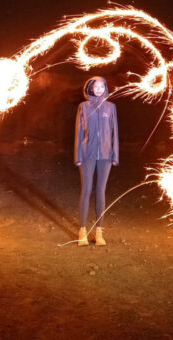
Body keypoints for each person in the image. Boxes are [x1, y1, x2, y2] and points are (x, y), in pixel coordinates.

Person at [74, 76, 119, 246]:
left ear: (105, 88)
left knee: (101, 191)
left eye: (102, 86)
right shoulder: (83, 107)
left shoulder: (111, 107)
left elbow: (115, 132)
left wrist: (115, 154)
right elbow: (78, 132)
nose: (99, 89)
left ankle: (99, 232)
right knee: (86, 190)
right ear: (90, 88)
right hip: (87, 154)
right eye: (95, 86)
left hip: (106, 155)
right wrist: (78, 156)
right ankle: (83, 231)